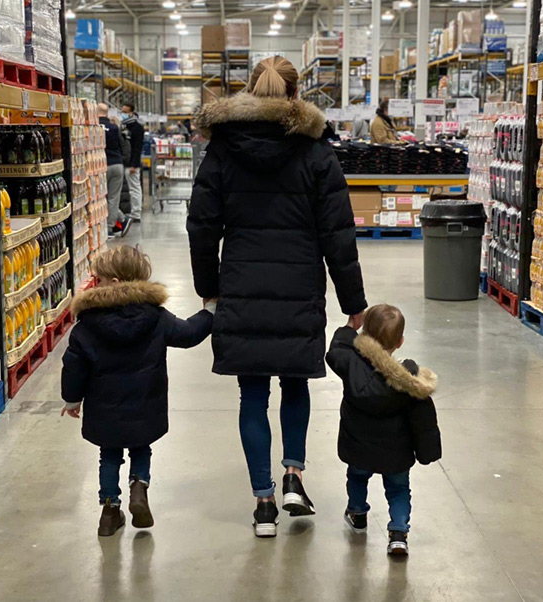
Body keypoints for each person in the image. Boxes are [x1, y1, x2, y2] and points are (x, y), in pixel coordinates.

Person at [187, 56, 368, 538]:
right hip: (298, 287)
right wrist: (354, 302)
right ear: (295, 94)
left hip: (242, 285)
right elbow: (338, 233)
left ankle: (264, 503)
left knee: (251, 393)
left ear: (248, 92)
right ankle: (293, 474)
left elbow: (202, 226)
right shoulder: (314, 150)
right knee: (294, 383)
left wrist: (210, 290)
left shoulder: (222, 149)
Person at [60, 246, 215, 537]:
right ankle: (139, 489)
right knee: (141, 447)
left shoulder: (88, 324)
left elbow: (73, 365)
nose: (95, 284)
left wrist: (72, 398)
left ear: (115, 283)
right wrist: (209, 314)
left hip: (105, 409)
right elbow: (188, 334)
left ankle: (109, 512)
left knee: (109, 455)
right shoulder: (155, 317)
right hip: (146, 405)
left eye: (100, 279)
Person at [325, 304, 441, 555]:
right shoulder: (409, 381)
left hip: (358, 447)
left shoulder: (350, 366)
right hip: (396, 454)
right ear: (400, 342)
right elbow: (423, 420)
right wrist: (428, 451)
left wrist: (349, 328)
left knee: (357, 477)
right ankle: (398, 532)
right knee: (398, 490)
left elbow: (335, 351)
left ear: (365, 337)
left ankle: (357, 513)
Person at [98, 103, 131, 238]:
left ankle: (110, 228)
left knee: (101, 198)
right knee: (113, 197)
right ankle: (122, 219)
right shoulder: (114, 127)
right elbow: (121, 144)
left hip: (101, 166)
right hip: (117, 164)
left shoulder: (93, 127)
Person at [121, 103, 144, 223]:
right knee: (129, 190)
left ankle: (136, 213)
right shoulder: (124, 126)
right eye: (122, 111)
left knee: (134, 189)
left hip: (132, 165)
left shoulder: (137, 127)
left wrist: (134, 165)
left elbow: (137, 148)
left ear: (131, 112)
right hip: (124, 163)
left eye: (125, 112)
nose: (122, 114)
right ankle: (131, 211)